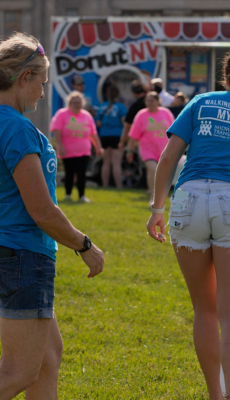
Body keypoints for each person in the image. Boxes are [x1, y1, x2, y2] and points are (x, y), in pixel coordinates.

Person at [146, 28, 230, 400]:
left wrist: (157, 208)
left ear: (226, 77)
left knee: (204, 311)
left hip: (187, 199)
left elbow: (168, 157)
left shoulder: (202, 102)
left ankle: (215, 394)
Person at [0, 32, 104, 400]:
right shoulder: (16, 128)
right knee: (17, 374)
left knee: (47, 359)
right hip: (22, 256)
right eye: (41, 83)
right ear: (23, 77)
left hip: (9, 254)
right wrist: (85, 245)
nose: (43, 93)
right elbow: (42, 210)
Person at [50, 91, 104, 202]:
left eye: (79, 102)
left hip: (84, 150)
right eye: (75, 102)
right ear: (69, 103)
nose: (77, 105)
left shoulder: (86, 115)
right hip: (68, 150)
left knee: (81, 174)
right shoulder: (62, 114)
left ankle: (82, 196)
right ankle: (68, 195)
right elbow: (56, 130)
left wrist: (98, 147)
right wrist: (60, 146)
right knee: (69, 173)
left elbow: (93, 133)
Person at [126, 91, 175, 201]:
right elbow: (133, 135)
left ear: (158, 101)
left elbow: (174, 130)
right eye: (147, 100)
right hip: (147, 149)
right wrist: (129, 151)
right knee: (152, 168)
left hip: (164, 148)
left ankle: (160, 194)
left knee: (163, 172)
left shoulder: (166, 113)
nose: (149, 103)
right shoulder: (141, 115)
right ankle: (153, 197)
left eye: (152, 100)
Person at [96, 85, 127, 188]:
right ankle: (119, 186)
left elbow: (99, 123)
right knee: (116, 163)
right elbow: (124, 122)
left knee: (106, 162)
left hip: (104, 135)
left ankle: (105, 185)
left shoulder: (102, 106)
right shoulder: (121, 107)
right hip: (117, 135)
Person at [118, 80, 147, 151]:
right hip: (159, 138)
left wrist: (122, 141)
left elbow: (127, 125)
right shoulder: (156, 102)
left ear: (134, 93)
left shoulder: (135, 106)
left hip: (142, 140)